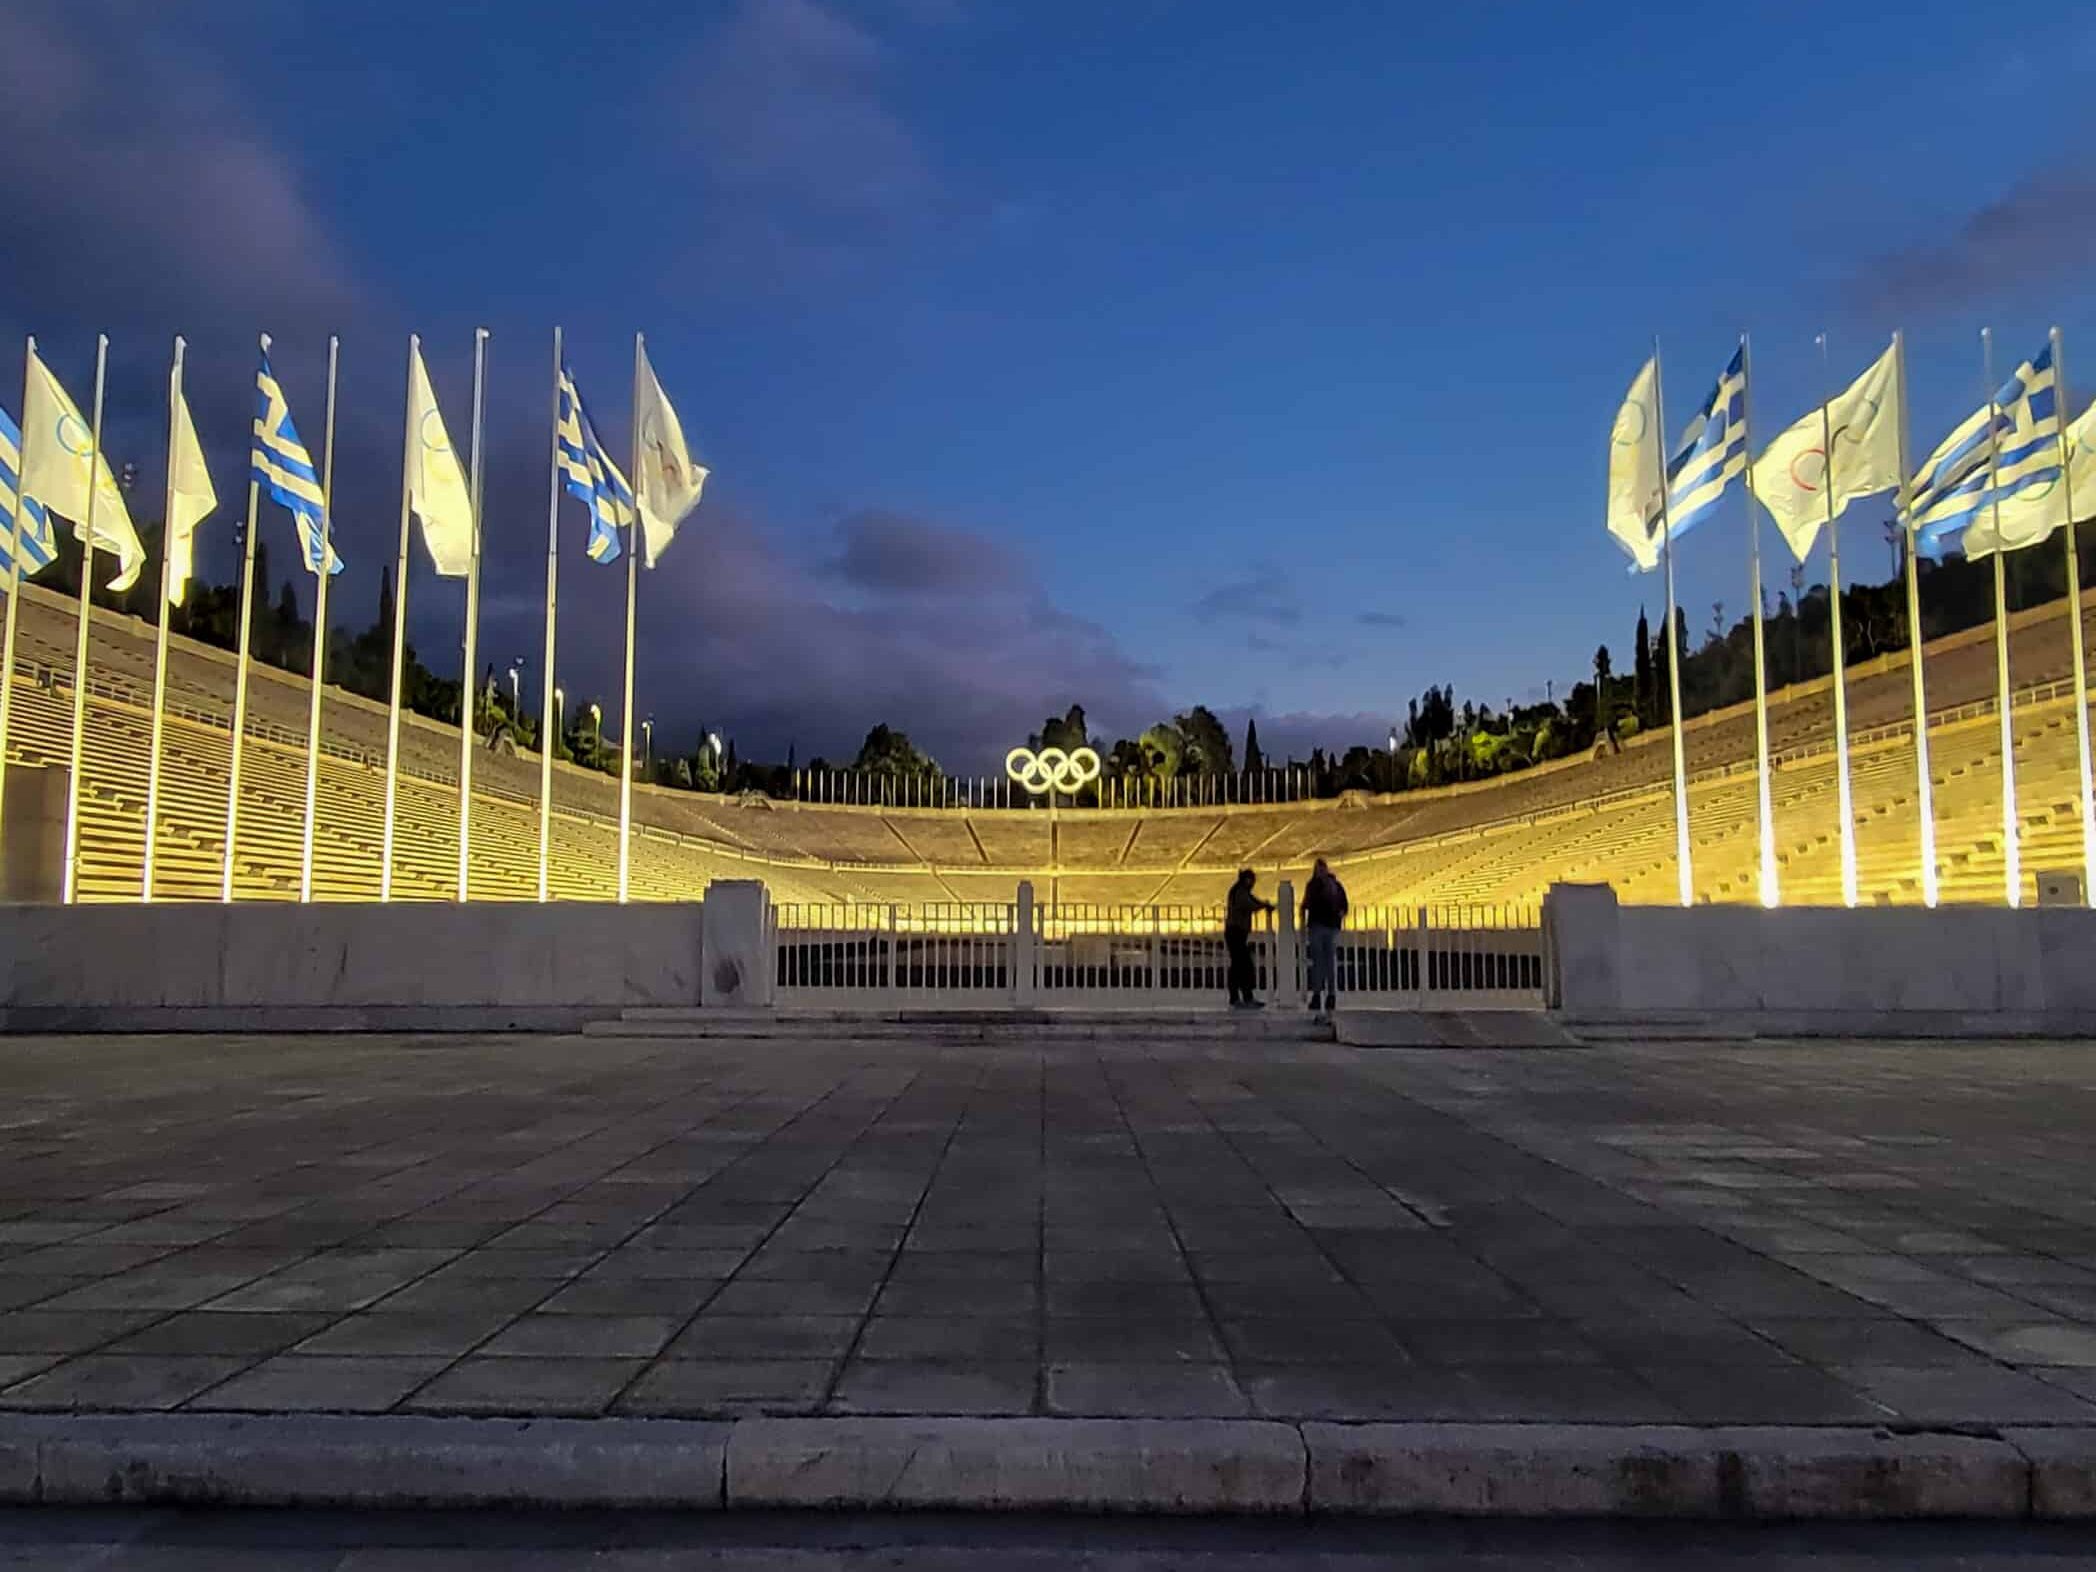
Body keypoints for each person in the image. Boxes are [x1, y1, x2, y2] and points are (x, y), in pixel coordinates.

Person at [1301, 857, 1349, 1020]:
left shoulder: (1325, 885)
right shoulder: (1325, 886)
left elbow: (1307, 904)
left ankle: (1325, 995)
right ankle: (1323, 995)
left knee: (1323, 963)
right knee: (1324, 963)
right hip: (1325, 927)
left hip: (1322, 927)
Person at [1223, 868, 1272, 1008]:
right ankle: (1244, 997)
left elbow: (1253, 900)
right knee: (1243, 965)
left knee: (1239, 965)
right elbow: (1249, 904)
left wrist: (1263, 905)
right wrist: (1264, 905)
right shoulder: (1240, 892)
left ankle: (1241, 997)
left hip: (1236, 933)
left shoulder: (1240, 890)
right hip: (1235, 933)